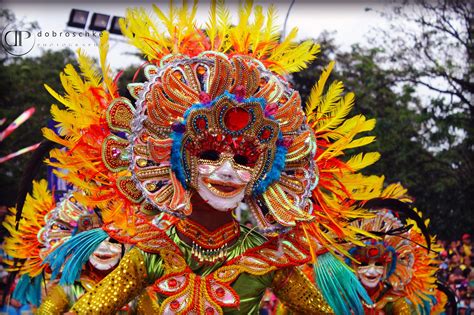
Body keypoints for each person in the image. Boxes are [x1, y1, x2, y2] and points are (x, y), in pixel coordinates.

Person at [33, 2, 399, 314]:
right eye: (209, 153)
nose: (226, 171)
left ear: (264, 171)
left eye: (243, 159)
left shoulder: (267, 255)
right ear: (177, 161)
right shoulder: (152, 251)